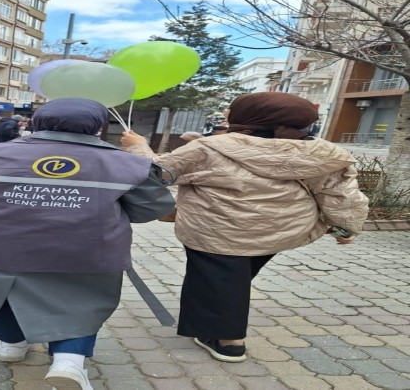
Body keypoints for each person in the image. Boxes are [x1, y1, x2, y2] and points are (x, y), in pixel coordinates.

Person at [0, 99, 172, 390]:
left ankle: (12, 344)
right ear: (98, 127)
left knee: (3, 290)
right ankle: (69, 362)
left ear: (36, 122)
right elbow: (150, 209)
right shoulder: (129, 163)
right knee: (83, 299)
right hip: (89, 250)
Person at [121, 92, 369, 363]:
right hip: (281, 230)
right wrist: (346, 227)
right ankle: (213, 323)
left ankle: (229, 341)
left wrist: (138, 147)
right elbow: (341, 195)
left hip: (217, 230)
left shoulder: (209, 148)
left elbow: (157, 173)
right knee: (231, 279)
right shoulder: (323, 153)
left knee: (222, 281)